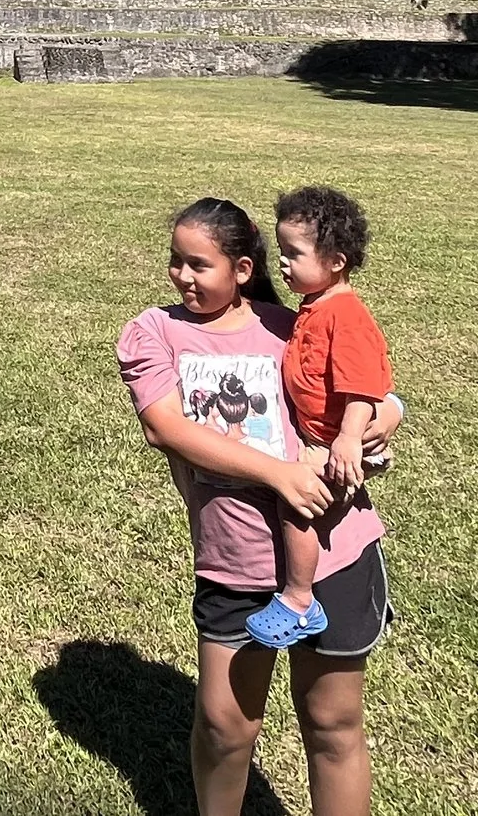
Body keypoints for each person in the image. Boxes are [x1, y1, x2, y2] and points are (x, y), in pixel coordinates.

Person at [116, 196, 395, 816]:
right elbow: (166, 429)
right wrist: (281, 475)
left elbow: (367, 382)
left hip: (333, 551)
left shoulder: (291, 321)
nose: (182, 276)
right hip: (235, 557)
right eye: (175, 262)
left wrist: (383, 415)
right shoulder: (155, 332)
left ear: (242, 269)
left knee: (333, 725)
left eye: (198, 264)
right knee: (225, 727)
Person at [246, 185, 394, 650]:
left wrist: (349, 441)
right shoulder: (317, 306)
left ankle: (299, 600)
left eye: (295, 253)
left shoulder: (344, 314)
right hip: (325, 440)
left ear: (336, 261)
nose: (284, 263)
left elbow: (361, 384)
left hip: (338, 445)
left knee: (297, 504)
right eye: (281, 251)